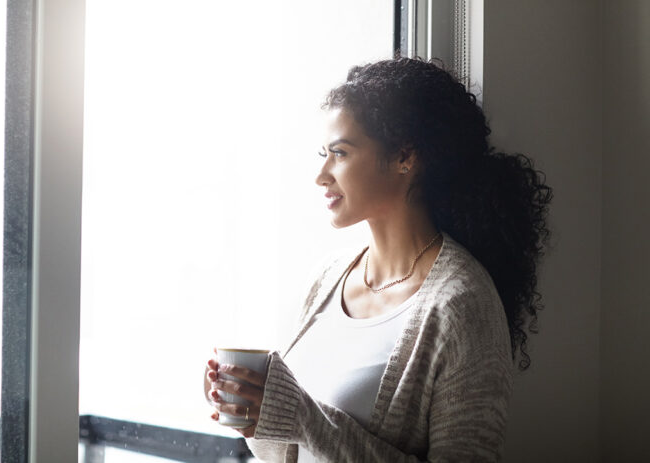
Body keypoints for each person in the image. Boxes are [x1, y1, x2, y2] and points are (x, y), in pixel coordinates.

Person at [203, 57, 552, 462]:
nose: (321, 174)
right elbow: (297, 445)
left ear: (405, 157)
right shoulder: (329, 278)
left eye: (341, 153)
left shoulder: (462, 303)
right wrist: (254, 416)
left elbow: (307, 424)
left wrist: (299, 415)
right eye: (324, 153)